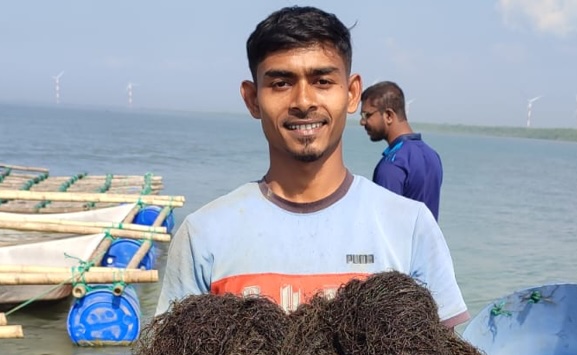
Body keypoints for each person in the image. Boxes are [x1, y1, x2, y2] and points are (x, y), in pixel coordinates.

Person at [155, 6, 469, 328]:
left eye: (322, 81)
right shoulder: (204, 236)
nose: (303, 101)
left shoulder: (411, 227)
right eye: (280, 83)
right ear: (252, 99)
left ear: (351, 94)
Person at [360, 81, 444, 220]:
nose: (362, 122)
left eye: (367, 115)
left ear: (388, 115)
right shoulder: (433, 156)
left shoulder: (392, 164)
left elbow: (383, 224)